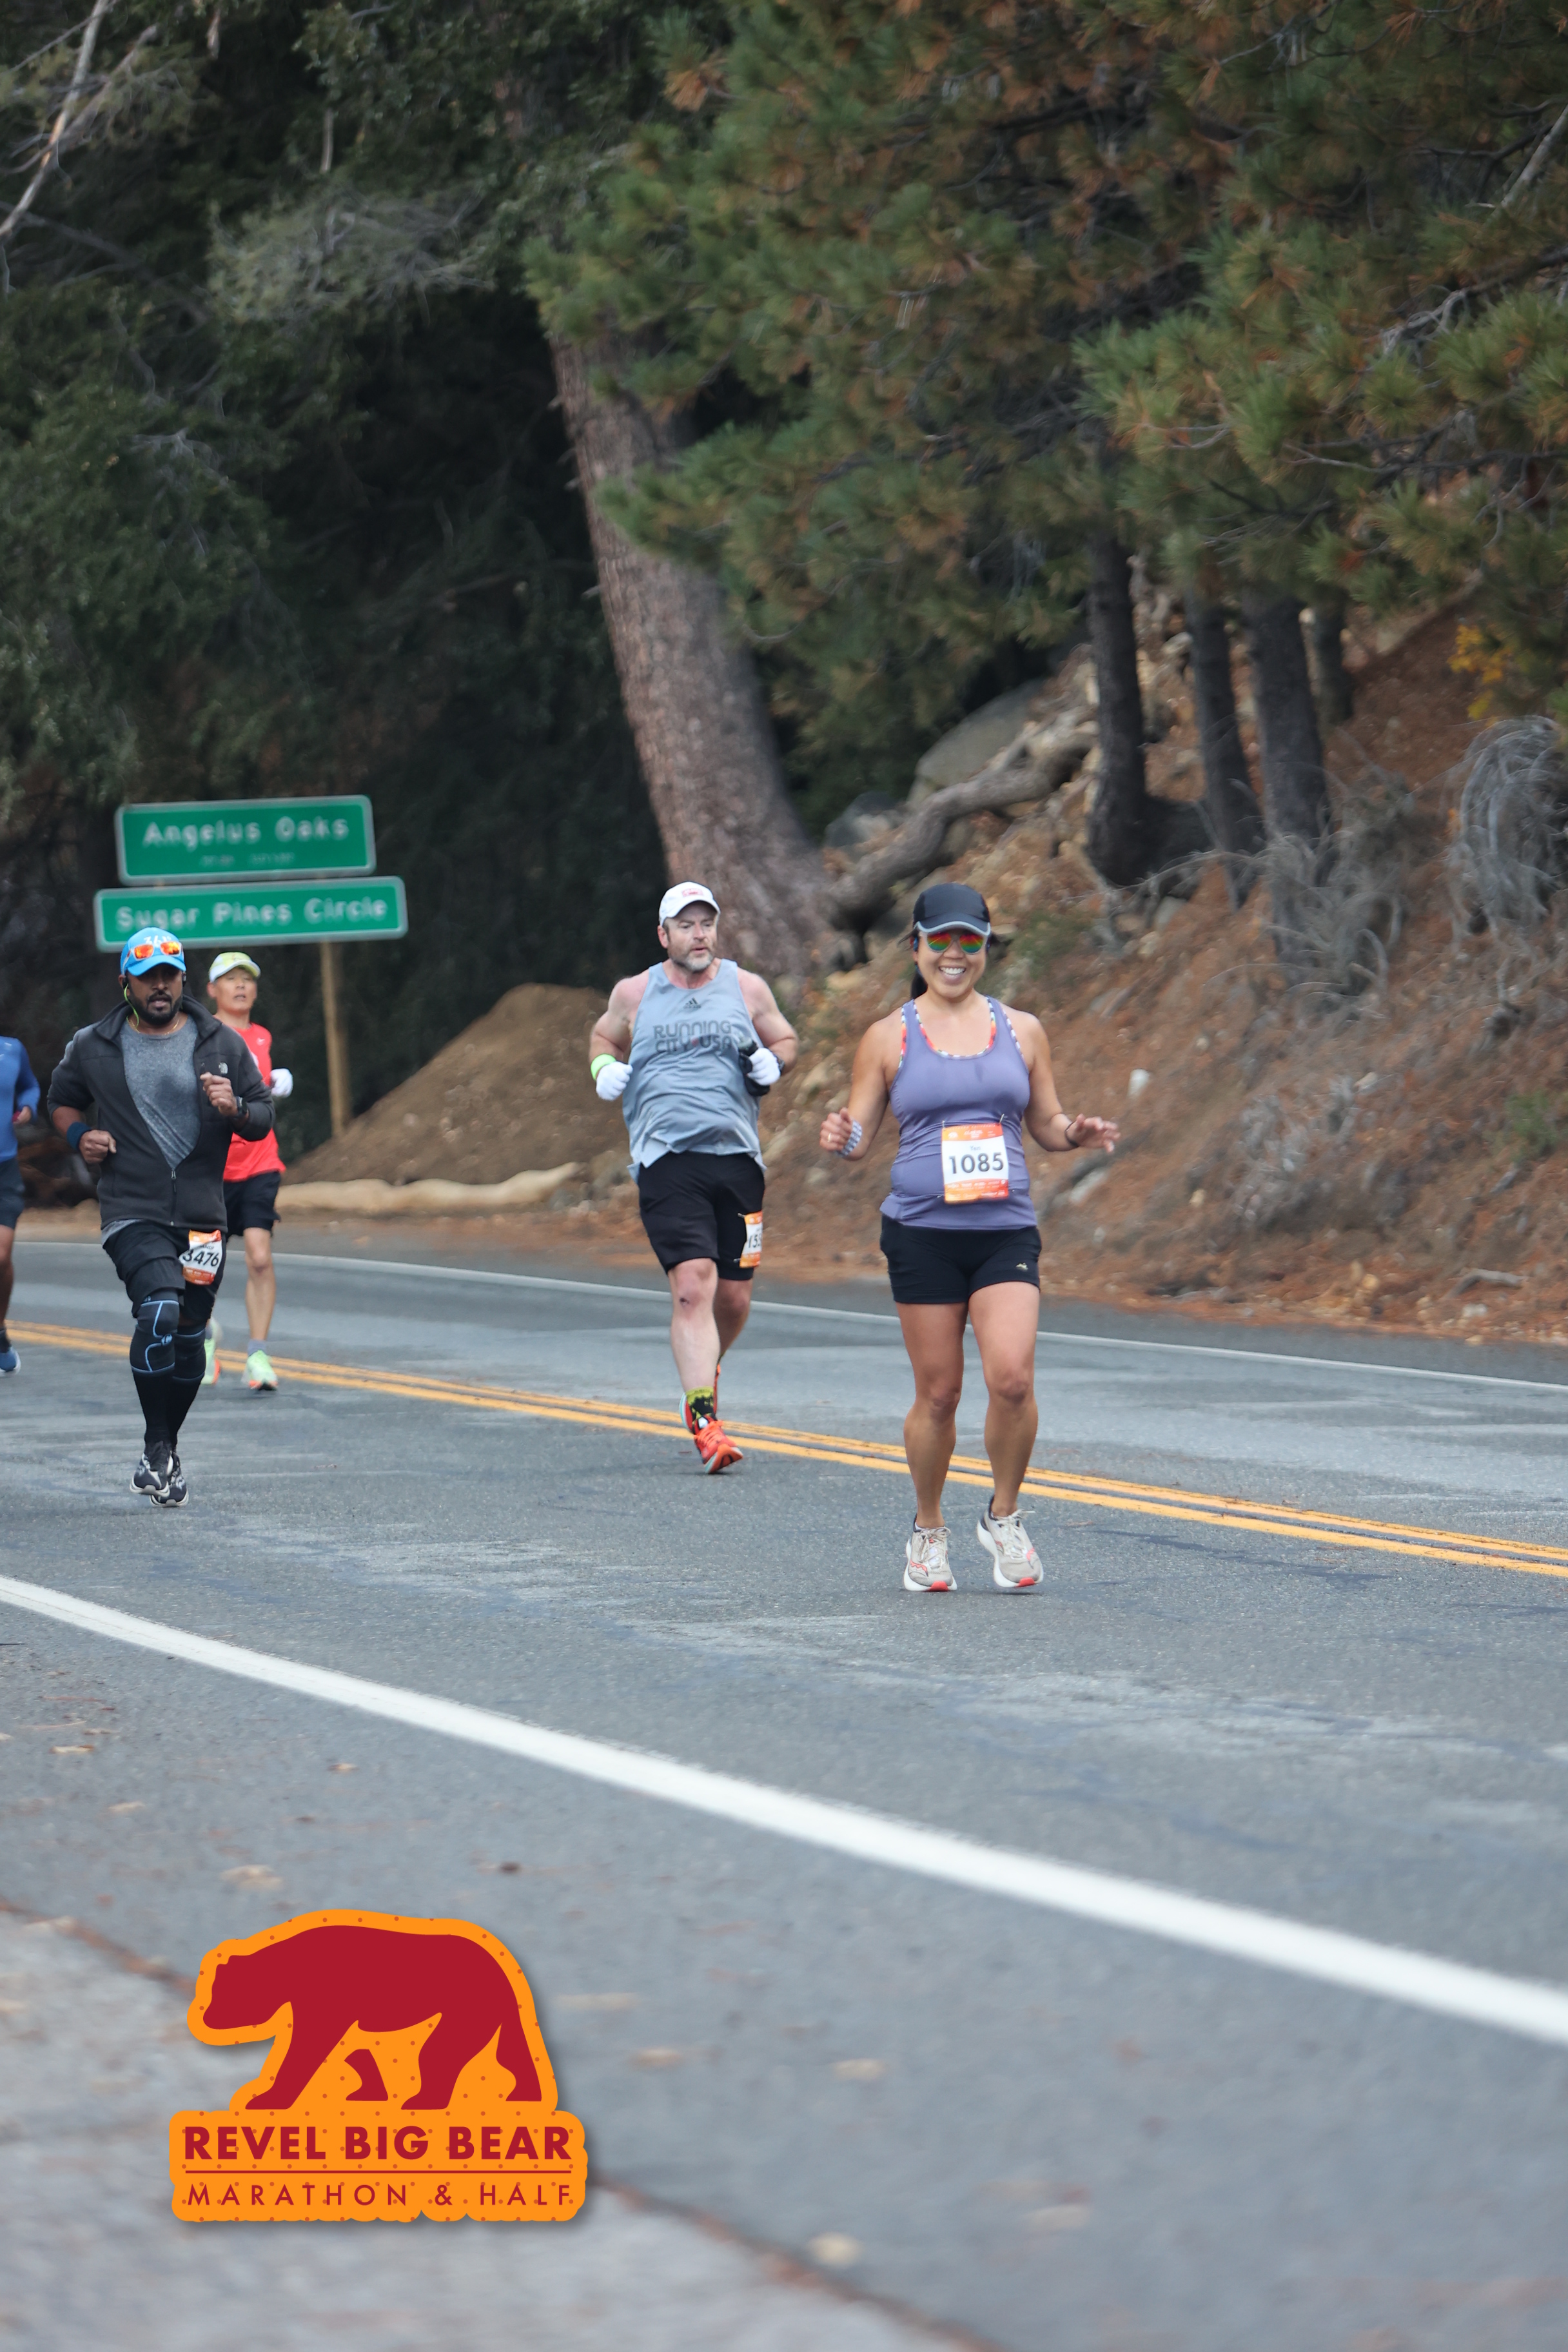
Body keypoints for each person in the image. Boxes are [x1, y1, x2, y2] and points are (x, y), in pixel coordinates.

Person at [818, 881, 1119, 1592]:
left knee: (1012, 1380)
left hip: (1003, 1229)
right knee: (940, 1395)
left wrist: (1074, 1132)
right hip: (921, 1233)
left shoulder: (1023, 1030)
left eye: (969, 940)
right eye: (940, 940)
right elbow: (860, 1134)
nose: (954, 954)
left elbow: (1046, 1123)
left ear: (985, 947)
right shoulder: (887, 1036)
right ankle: (928, 1530)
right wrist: (840, 1135)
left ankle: (1003, 1516)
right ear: (916, 947)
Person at [48, 928, 273, 1506]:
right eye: (147, 977)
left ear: (183, 980)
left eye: (169, 975)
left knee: (191, 1335)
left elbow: (262, 1114)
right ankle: (155, 1447)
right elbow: (61, 1099)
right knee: (159, 1310)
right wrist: (80, 1136)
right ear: (125, 982)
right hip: (132, 1208)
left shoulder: (221, 1042)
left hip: (203, 1214)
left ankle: (166, 1450)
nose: (160, 986)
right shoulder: (94, 1044)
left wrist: (235, 1107)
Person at [589, 883, 798, 1471]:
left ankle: (705, 1369)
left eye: (706, 923)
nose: (699, 934)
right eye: (685, 925)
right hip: (667, 1160)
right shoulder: (634, 993)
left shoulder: (746, 987)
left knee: (732, 1297)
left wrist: (775, 1061)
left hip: (737, 1160)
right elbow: (603, 1035)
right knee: (692, 1286)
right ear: (664, 936)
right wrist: (603, 1065)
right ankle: (704, 1418)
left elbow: (785, 1038)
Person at [204, 950, 293, 1391]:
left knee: (260, 1257)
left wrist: (274, 1081)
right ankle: (202, 1337)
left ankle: (257, 1355)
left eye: (247, 979)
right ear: (212, 990)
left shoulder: (262, 1036)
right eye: (230, 978)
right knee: (204, 1266)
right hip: (212, 1166)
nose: (241, 986)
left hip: (260, 1161)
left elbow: (257, 1094)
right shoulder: (201, 1036)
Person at [0, 1033, 42, 1375]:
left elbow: (29, 1085)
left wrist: (28, 1106)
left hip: (4, 1169)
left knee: (1, 1257)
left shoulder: (11, 1049)